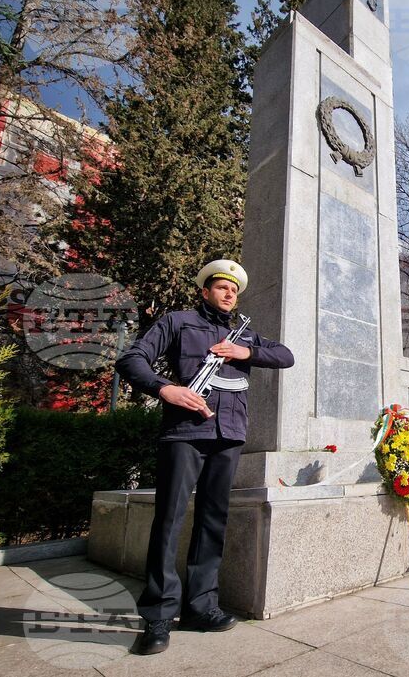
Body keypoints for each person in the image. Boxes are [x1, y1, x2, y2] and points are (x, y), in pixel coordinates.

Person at [117, 260, 295, 655]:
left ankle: (201, 607)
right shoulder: (178, 322)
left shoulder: (243, 334)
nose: (229, 293)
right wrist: (166, 389)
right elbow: (131, 360)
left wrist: (244, 351)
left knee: (213, 520)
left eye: (234, 290)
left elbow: (286, 356)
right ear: (204, 291)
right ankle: (159, 616)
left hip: (229, 435)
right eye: (221, 287)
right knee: (169, 520)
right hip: (184, 432)